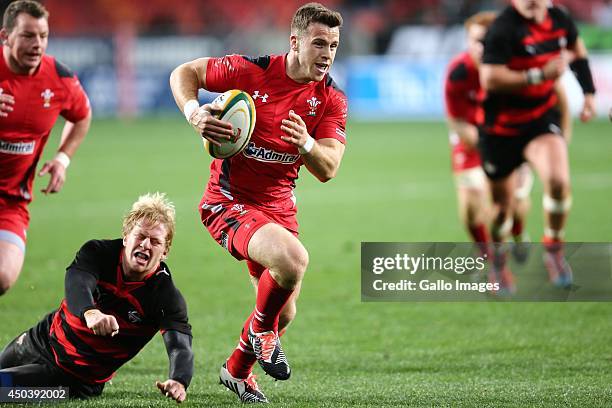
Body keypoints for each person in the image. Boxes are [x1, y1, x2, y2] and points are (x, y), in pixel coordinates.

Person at [170, 2, 346, 403]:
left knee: (285, 312)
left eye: (334, 45)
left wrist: (305, 142)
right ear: (295, 41)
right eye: (319, 43)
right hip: (228, 201)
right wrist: (194, 111)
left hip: (279, 207)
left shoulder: (331, 98)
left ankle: (237, 370)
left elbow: (329, 167)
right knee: (293, 261)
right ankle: (261, 334)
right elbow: (185, 73)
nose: (327, 54)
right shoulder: (251, 71)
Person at [0, 193, 194, 402]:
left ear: (165, 251)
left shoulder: (165, 296)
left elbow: (179, 346)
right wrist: (90, 313)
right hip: (40, 339)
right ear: (126, 236)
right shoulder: (98, 253)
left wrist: (179, 380)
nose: (146, 244)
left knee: (3, 391)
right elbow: (77, 282)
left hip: (71, 380)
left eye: (155, 241)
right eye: (140, 236)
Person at [444, 11, 572, 284]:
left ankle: (518, 233)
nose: (481, 47)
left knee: (511, 205)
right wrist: (487, 145)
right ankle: (490, 260)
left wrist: (561, 138)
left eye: (486, 40)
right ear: (467, 42)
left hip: (513, 135)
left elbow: (557, 94)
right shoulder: (458, 72)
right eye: (475, 41)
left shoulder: (515, 63)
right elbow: (455, 120)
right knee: (470, 208)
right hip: (473, 140)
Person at [479, 0, 596, 288]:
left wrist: (589, 94)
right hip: (501, 128)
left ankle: (553, 249)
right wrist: (538, 74)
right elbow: (490, 78)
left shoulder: (559, 19)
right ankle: (498, 260)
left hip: (540, 119)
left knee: (558, 181)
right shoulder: (502, 28)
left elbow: (577, 51)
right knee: (503, 209)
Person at [0, 0, 91, 296]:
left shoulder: (59, 78)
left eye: (43, 36)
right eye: (28, 35)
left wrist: (62, 159)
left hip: (11, 202)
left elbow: (82, 115)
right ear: (6, 36)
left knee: (2, 277)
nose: (37, 44)